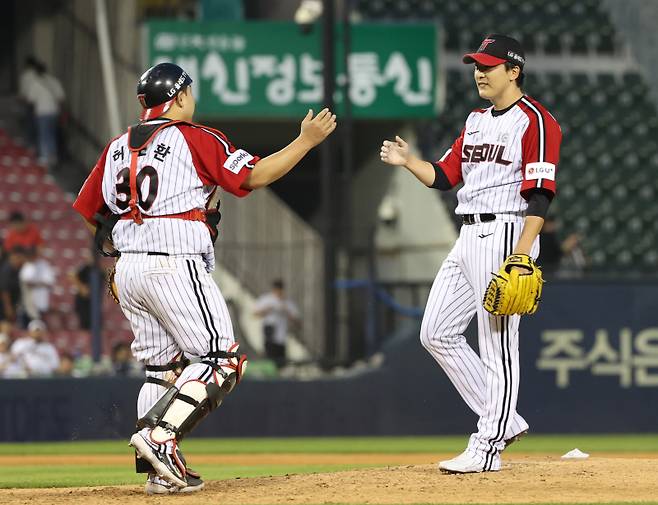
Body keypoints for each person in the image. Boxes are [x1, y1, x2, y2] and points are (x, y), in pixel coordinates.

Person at [72, 63, 336, 494]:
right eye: (188, 92)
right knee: (221, 360)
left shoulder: (116, 147)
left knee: (161, 371)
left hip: (130, 270)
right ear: (177, 97)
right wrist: (305, 141)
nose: (193, 99)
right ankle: (161, 437)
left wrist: (121, 259)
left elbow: (88, 213)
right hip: (173, 262)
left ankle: (159, 474)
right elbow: (254, 175)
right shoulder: (196, 137)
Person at [380, 34, 561, 473]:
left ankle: (488, 446)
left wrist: (521, 255)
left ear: (513, 71)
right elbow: (444, 176)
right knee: (436, 332)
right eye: (477, 65)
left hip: (506, 229)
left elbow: (540, 195)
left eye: (489, 66)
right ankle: (505, 419)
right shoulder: (476, 120)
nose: (479, 72)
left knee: (499, 344)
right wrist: (408, 161)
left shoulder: (536, 121)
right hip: (468, 234)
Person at [23, 61, 65, 168]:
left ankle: (45, 157)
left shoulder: (35, 83)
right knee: (52, 134)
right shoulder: (53, 81)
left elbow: (30, 100)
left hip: (42, 112)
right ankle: (53, 156)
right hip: (54, 112)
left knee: (44, 135)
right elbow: (61, 97)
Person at [253, 279, 300, 367]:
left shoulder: (287, 302)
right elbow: (255, 314)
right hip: (269, 333)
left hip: (281, 337)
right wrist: (268, 309)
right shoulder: (267, 299)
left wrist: (286, 311)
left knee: (280, 362)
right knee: (269, 359)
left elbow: (298, 321)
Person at [19, 248, 55, 322]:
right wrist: (40, 283)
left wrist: (35, 283)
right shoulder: (26, 266)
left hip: (41, 300)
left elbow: (49, 282)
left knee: (40, 324)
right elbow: (27, 283)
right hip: (28, 302)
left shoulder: (44, 265)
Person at [0, 247, 28, 329]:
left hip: (13, 303)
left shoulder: (18, 268)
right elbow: (4, 290)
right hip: (4, 305)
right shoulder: (7, 269)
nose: (20, 260)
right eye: (18, 257)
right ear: (12, 256)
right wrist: (8, 308)